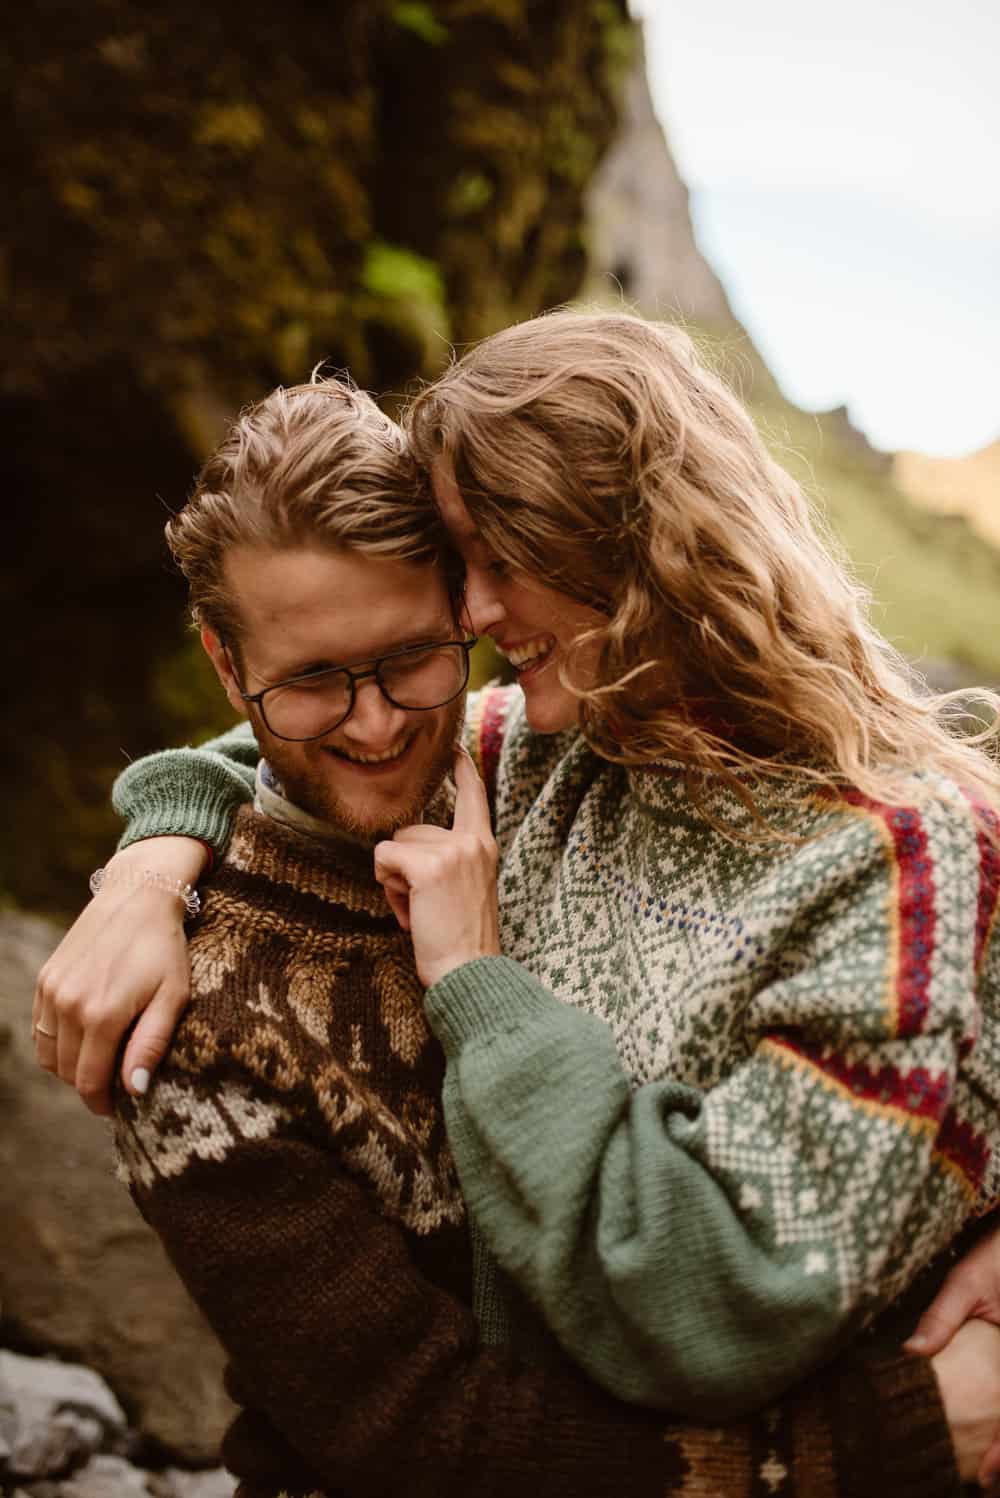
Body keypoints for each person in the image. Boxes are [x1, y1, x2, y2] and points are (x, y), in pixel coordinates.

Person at [32, 323, 1000, 1481]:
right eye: (313, 684)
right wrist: (150, 857)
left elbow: (718, 1286)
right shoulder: (524, 757)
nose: (387, 718)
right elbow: (432, 1440)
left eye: (425, 647)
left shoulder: (839, 837)